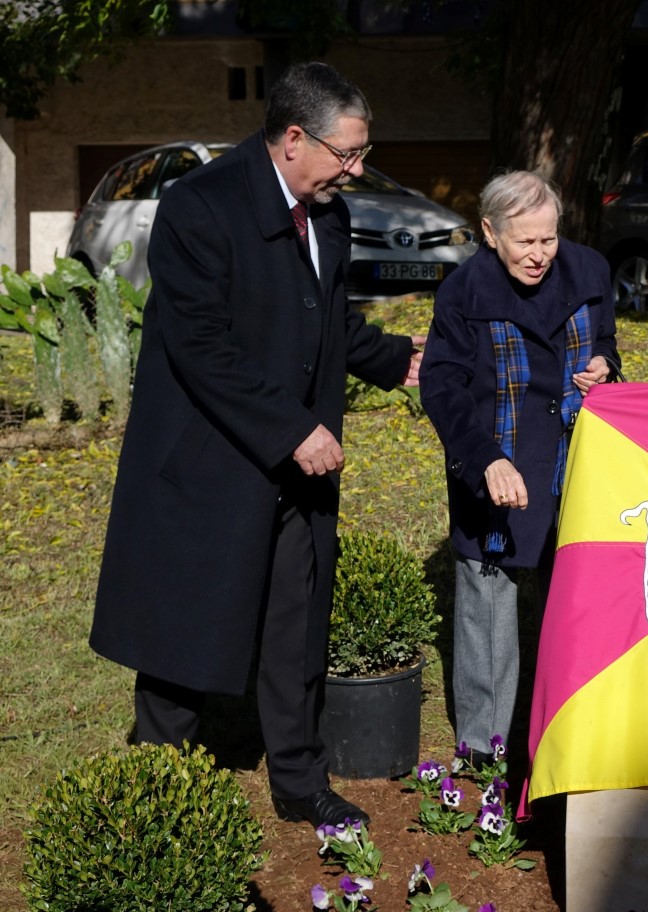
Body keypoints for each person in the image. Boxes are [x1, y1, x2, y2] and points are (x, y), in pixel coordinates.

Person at [89, 62, 422, 829]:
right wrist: (292, 429)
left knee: (295, 624)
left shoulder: (327, 213)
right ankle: (157, 797)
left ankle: (300, 783)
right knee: (184, 628)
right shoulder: (199, 206)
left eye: (362, 153)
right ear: (294, 138)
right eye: (348, 153)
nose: (357, 170)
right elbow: (201, 346)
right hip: (212, 459)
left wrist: (398, 360)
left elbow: (326, 320)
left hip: (297, 469)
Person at [420, 171, 618, 768]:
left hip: (574, 460)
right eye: (525, 241)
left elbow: (606, 340)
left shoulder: (589, 270)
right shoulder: (464, 292)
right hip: (497, 459)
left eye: (548, 239)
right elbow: (442, 386)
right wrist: (486, 460)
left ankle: (572, 726)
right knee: (488, 601)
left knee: (575, 600)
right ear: (490, 232)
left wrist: (604, 365)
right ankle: (484, 748)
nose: (539, 255)